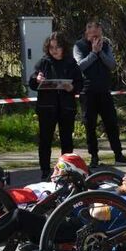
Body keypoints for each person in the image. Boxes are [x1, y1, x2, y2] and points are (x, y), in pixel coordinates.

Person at [28, 31, 83, 181]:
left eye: (57, 47)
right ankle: (45, 171)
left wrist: (72, 88)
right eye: (51, 47)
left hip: (66, 108)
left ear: (63, 48)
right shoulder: (43, 62)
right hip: (47, 108)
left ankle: (66, 170)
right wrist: (37, 79)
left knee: (67, 140)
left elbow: (79, 83)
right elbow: (32, 81)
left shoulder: (71, 63)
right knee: (45, 140)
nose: (54, 50)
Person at [74, 21, 126, 167]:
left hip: (104, 91)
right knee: (90, 125)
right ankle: (94, 157)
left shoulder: (105, 45)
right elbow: (79, 66)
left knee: (111, 123)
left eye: (99, 34)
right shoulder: (79, 46)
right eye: (93, 35)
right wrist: (93, 53)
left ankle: (118, 154)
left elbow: (112, 65)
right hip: (87, 92)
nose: (96, 38)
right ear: (87, 33)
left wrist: (100, 53)